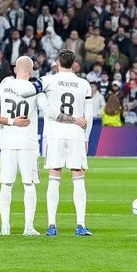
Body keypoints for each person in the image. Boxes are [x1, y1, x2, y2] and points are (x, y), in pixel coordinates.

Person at [0, 55, 42, 235]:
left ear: (15, 69)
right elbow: (48, 109)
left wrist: (8, 121)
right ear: (31, 72)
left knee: (6, 185)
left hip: (7, 142)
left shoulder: (2, 87)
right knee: (29, 184)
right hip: (28, 143)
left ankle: (5, 227)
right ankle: (28, 227)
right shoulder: (35, 89)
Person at [41, 49, 95, 236]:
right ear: (74, 64)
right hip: (76, 134)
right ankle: (80, 225)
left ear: (57, 62)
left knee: (54, 177)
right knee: (78, 177)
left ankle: (51, 225)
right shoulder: (84, 84)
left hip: (55, 133)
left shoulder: (47, 80)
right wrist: (86, 137)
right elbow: (89, 116)